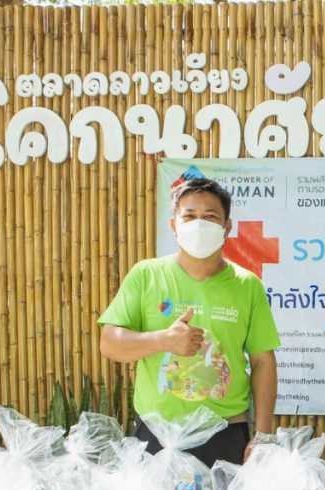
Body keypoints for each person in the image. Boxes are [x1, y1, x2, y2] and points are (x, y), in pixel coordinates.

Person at [99, 178, 281, 467]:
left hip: (224, 433)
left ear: (227, 227)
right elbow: (110, 344)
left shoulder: (247, 285)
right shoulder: (146, 275)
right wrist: (163, 340)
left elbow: (263, 362)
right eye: (189, 216)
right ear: (174, 225)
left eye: (210, 217)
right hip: (157, 435)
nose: (199, 224)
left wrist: (264, 436)